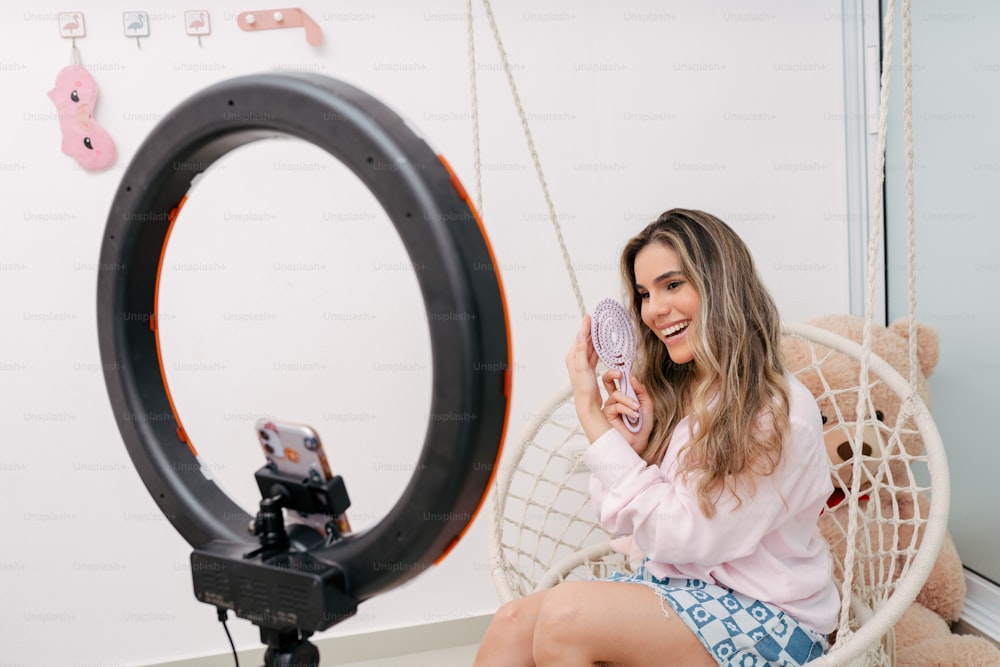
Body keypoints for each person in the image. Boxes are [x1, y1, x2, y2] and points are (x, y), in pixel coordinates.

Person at [473, 209, 839, 666]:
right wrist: (632, 448)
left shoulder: (775, 412)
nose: (654, 310)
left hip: (769, 618)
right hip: (681, 590)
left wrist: (591, 416)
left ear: (720, 286)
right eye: (645, 294)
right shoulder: (680, 388)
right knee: (513, 624)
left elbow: (685, 537)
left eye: (672, 285)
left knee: (567, 617)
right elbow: (618, 518)